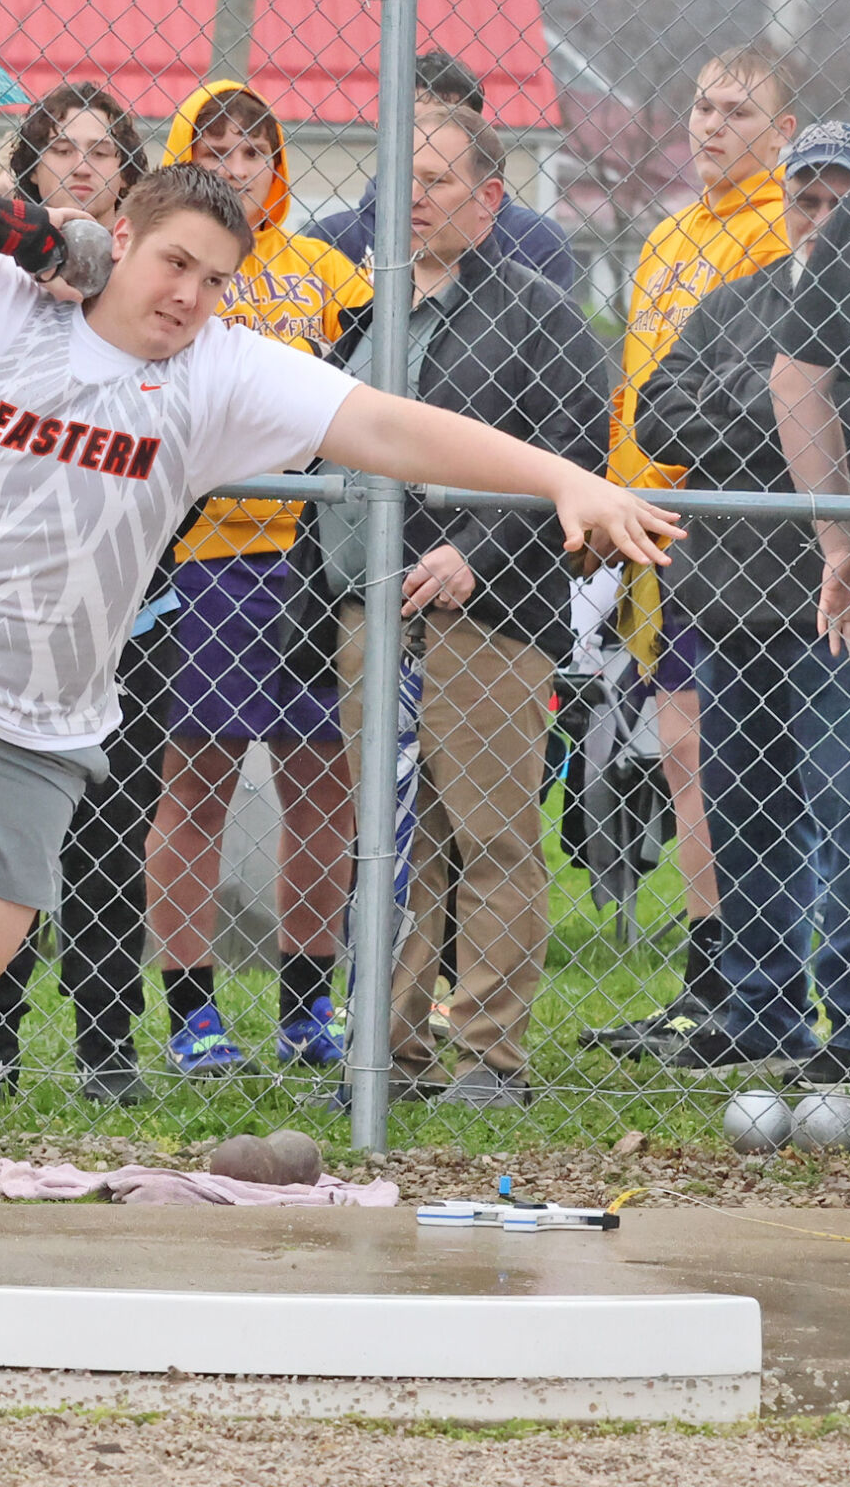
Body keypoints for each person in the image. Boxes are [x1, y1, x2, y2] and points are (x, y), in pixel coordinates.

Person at [0, 163, 680, 1256]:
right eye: (172, 263)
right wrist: (22, 227)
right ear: (117, 237)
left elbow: (390, 429)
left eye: (214, 280)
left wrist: (561, 480)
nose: (187, 297)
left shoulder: (220, 373)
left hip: (37, 715)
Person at [289, 109, 609, 1107]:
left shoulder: (536, 312)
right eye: (400, 177)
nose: (411, 195)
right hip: (367, 614)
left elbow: (572, 451)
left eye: (434, 178)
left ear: (488, 201)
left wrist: (477, 551)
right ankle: (385, 1054)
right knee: (390, 839)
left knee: (491, 834)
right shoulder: (368, 313)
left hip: (484, 619)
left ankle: (489, 1057)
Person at [0, 82, 169, 1106]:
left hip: (123, 607)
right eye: (58, 149)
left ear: (128, 174)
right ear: (29, 168)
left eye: (103, 151)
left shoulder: (156, 281)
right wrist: (3, 203)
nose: (81, 163)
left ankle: (106, 1051)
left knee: (112, 844)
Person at [616, 123, 850, 1076]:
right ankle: (759, 1007)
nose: (819, 218)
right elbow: (661, 412)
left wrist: (786, 417)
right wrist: (784, 404)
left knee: (848, 808)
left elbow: (839, 419)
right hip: (729, 602)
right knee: (745, 812)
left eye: (841, 200)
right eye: (804, 198)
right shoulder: (733, 305)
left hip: (833, 610)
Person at [144, 81, 371, 1075]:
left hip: (314, 562)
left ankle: (304, 1008)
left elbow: (369, 389)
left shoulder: (325, 270)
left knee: (322, 787)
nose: (237, 169)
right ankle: (193, 1012)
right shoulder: (173, 270)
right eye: (218, 150)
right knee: (196, 785)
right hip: (209, 558)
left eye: (253, 152)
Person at [588, 44, 797, 1057]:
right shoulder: (670, 235)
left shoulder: (783, 231)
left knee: (716, 753)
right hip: (647, 522)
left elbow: (757, 393)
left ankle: (737, 975)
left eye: (737, 112)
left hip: (729, 529)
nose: (710, 127)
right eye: (701, 107)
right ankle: (707, 975)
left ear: (783, 131)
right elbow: (654, 392)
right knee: (679, 753)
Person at [736, 150, 850, 1084]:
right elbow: (794, 380)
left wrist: (838, 543)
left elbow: (792, 383)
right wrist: (839, 544)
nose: (822, 212)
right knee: (847, 806)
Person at [305, 50, 575, 290]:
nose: (429, 138)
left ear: (479, 134)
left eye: (452, 123)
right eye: (415, 123)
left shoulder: (533, 239)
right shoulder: (334, 239)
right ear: (382, 128)